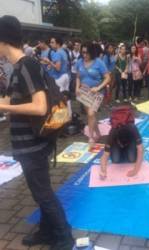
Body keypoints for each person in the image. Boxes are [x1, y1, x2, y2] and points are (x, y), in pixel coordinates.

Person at [0, 15, 73, 249]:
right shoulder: (19, 67)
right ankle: (46, 231)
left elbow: (40, 106)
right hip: (27, 144)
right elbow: (16, 101)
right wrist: (7, 104)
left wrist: (4, 106)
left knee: (42, 193)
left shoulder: (27, 65)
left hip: (34, 144)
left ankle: (63, 236)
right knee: (39, 191)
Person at [75, 43, 110, 143]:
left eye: (86, 53)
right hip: (84, 92)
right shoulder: (79, 62)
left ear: (91, 53)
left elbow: (108, 78)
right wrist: (77, 88)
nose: (84, 55)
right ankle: (98, 133)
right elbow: (78, 77)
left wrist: (98, 87)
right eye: (83, 52)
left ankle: (91, 137)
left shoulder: (99, 62)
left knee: (91, 113)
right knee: (90, 115)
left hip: (97, 92)